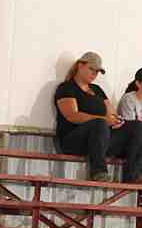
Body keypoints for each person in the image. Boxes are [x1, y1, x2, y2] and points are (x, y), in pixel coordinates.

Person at [55, 52, 142, 183]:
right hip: (73, 140)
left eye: (97, 72)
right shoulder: (66, 88)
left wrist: (115, 121)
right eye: (92, 69)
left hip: (101, 140)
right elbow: (72, 115)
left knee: (138, 126)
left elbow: (112, 113)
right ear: (80, 65)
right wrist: (103, 120)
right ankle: (98, 172)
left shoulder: (97, 89)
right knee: (99, 123)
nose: (94, 74)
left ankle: (133, 176)